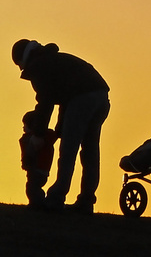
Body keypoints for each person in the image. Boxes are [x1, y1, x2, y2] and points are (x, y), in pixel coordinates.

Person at [12, 39, 109, 213]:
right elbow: (66, 98)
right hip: (101, 97)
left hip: (84, 99)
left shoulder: (39, 66)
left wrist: (39, 135)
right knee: (90, 151)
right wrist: (58, 130)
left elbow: (45, 102)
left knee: (68, 150)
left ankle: (56, 198)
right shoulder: (53, 60)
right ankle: (86, 200)